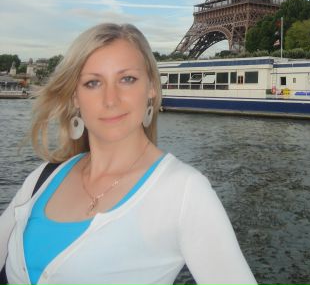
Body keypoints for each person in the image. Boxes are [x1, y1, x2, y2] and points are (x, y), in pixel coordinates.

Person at [0, 23, 257, 285]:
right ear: (75, 97)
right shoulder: (43, 178)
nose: (111, 99)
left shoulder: (185, 192)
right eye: (93, 83)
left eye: (127, 79)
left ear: (152, 87)